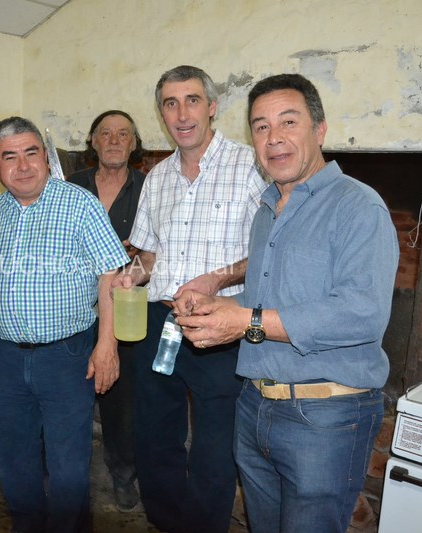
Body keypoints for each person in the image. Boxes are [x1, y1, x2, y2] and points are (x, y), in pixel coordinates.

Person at [175, 73, 398, 533]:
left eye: (288, 121)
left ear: (320, 129)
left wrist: (245, 321)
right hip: (255, 404)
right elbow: (268, 300)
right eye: (260, 126)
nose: (273, 137)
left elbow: (362, 313)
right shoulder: (266, 209)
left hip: (326, 416)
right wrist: (217, 306)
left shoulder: (358, 206)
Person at [113, 65, 267, 533]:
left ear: (212, 107)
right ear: (161, 113)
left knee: (215, 448)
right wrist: (128, 277)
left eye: (192, 100)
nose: (182, 114)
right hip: (160, 327)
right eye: (170, 103)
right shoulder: (157, 177)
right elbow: (150, 256)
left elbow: (269, 252)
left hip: (221, 330)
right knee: (154, 436)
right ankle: (165, 521)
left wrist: (217, 279)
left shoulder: (251, 167)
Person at [0, 117, 129, 532]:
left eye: (32, 153)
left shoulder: (80, 205)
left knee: (68, 466)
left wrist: (107, 346)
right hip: (5, 358)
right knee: (14, 460)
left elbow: (111, 275)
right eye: (10, 157)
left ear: (46, 158)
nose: (23, 165)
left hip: (67, 358)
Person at [67, 110, 145, 511]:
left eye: (123, 134)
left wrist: (138, 254)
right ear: (93, 142)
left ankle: (123, 474)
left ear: (134, 144)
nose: (114, 141)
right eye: (105, 134)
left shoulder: (148, 188)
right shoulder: (70, 187)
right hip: (75, 309)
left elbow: (162, 246)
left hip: (126, 309)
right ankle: (65, 474)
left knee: (121, 401)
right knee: (70, 397)